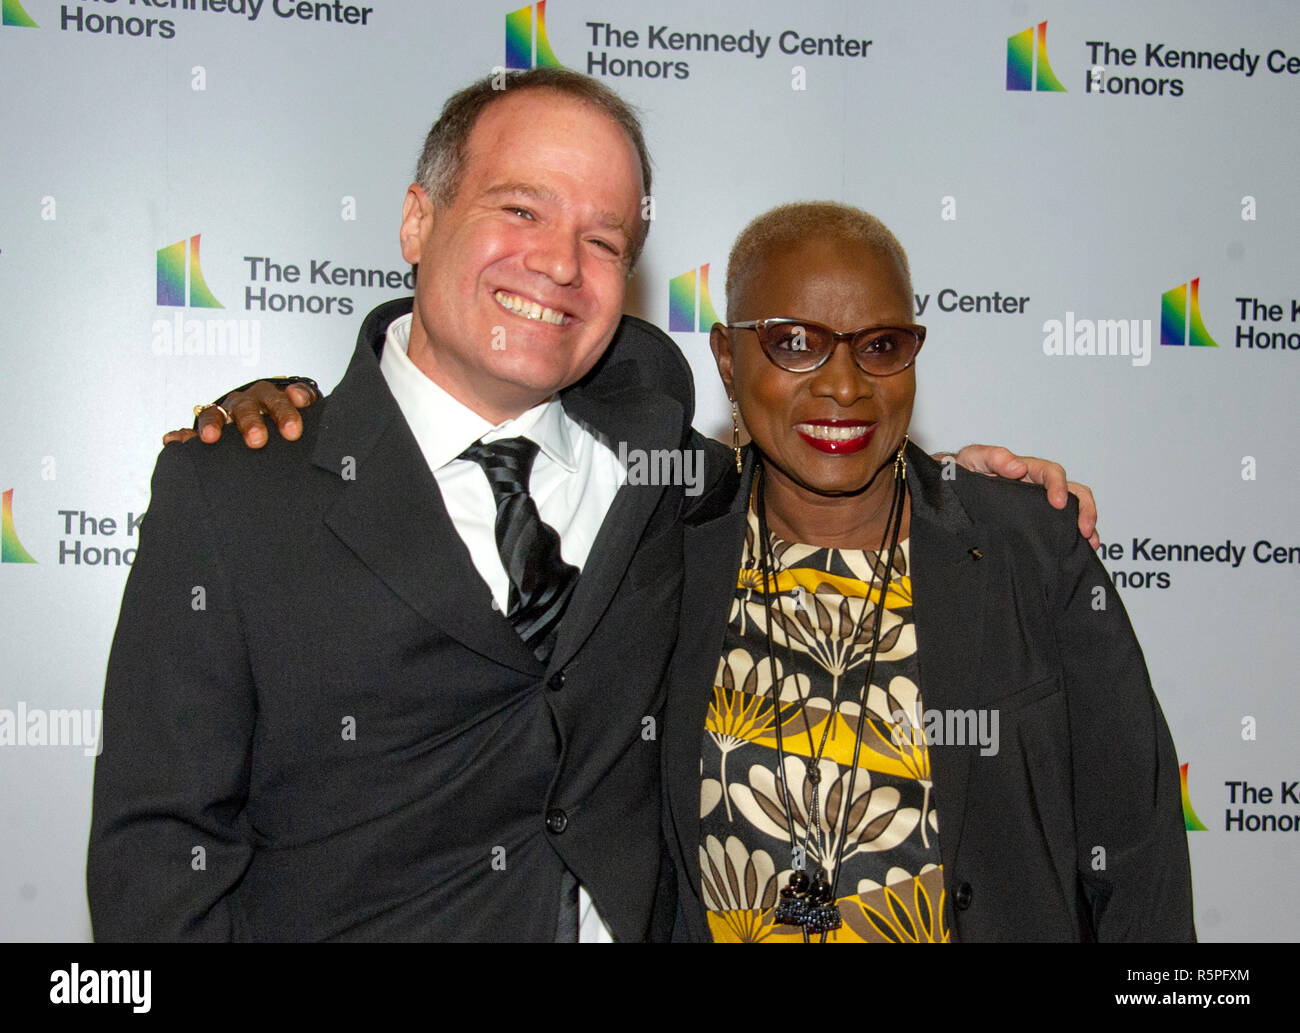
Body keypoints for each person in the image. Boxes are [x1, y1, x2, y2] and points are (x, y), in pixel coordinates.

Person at [92, 69, 1096, 943]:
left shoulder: (671, 481)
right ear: (416, 218)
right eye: (519, 210)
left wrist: (965, 484)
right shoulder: (236, 489)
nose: (561, 264)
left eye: (603, 238)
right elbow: (162, 854)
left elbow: (826, 461)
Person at [658, 202, 1194, 942]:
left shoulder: (1025, 546)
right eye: (795, 343)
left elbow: (1140, 857)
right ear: (727, 358)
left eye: (880, 345)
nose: (844, 385)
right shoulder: (664, 550)